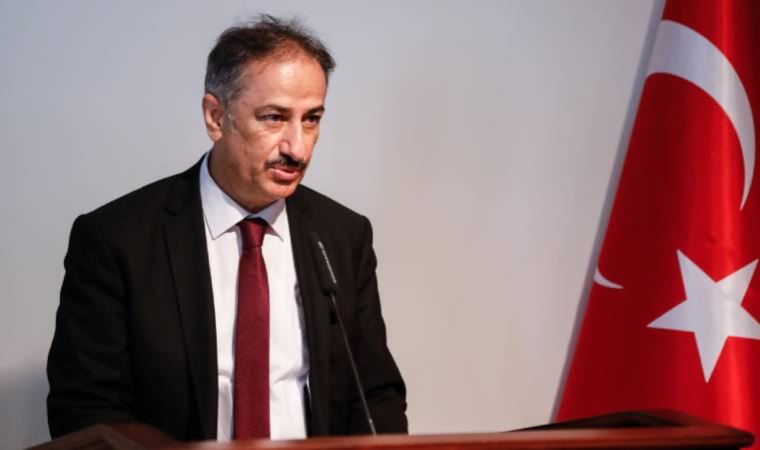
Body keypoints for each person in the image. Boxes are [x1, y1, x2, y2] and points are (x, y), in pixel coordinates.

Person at [46, 15, 407, 442]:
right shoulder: (117, 240)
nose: (298, 147)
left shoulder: (343, 235)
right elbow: (86, 411)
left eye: (311, 119)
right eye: (274, 118)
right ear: (216, 117)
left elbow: (376, 395)